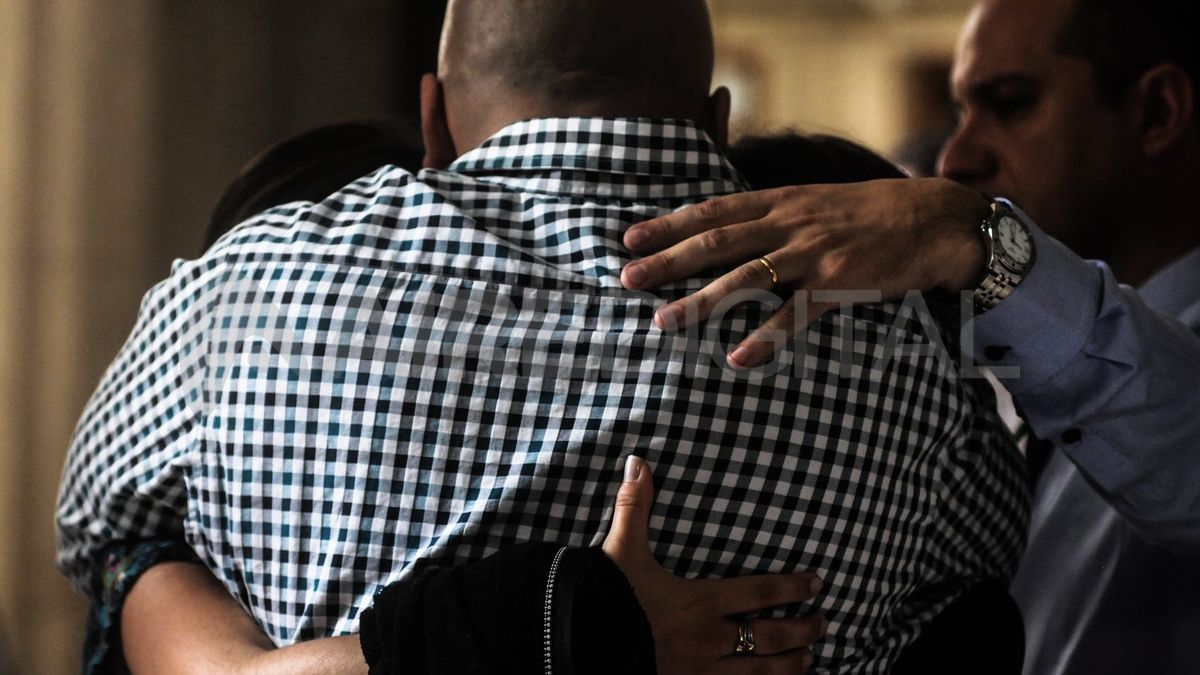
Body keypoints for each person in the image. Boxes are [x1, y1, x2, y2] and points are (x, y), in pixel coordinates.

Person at [56, 1, 1028, 672]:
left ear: (432, 120)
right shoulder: (886, 340)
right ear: (715, 121)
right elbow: (980, 575)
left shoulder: (244, 285)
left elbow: (100, 535)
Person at [619, 0, 1200, 672]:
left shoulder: (1052, 345)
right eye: (960, 111)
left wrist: (987, 241)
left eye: (1010, 103)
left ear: (1157, 111)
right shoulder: (1016, 357)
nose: (956, 155)